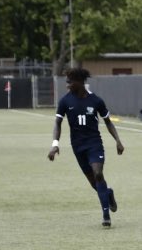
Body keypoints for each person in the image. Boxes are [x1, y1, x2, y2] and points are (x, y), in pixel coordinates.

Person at [47, 68, 124, 228]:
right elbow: (58, 123)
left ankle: (106, 216)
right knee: (94, 183)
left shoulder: (96, 101)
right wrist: (55, 144)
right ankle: (108, 193)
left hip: (94, 144)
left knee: (98, 174)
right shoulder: (65, 101)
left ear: (80, 82)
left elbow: (108, 122)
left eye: (70, 82)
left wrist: (118, 140)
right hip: (78, 147)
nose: (67, 85)